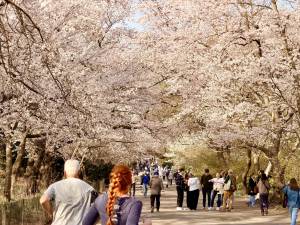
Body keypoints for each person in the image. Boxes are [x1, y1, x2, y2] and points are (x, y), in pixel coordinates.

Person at [40, 160, 97, 225]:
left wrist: (51, 213)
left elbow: (43, 200)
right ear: (79, 172)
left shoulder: (55, 186)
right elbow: (97, 207)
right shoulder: (89, 188)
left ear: (64, 172)